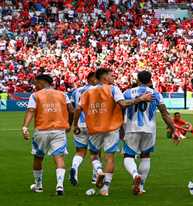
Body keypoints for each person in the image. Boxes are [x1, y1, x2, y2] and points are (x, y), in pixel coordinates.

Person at [73, 68, 152, 196]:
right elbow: (123, 104)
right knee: (110, 158)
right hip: (111, 128)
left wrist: (75, 124)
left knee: (93, 154)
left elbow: (77, 109)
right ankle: (105, 189)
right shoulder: (113, 89)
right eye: (111, 75)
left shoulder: (87, 92)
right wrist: (140, 99)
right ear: (105, 78)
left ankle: (99, 171)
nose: (113, 77)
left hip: (94, 128)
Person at [122, 71, 178, 195]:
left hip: (132, 128)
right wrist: (174, 129)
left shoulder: (127, 93)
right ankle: (141, 186)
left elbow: (121, 108)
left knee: (128, 156)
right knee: (145, 156)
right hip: (149, 130)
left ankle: (135, 174)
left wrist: (120, 128)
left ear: (137, 80)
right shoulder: (156, 94)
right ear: (150, 80)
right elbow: (164, 113)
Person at [22, 74, 73, 196]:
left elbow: (31, 110)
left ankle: (39, 186)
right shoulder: (63, 94)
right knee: (59, 157)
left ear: (41, 82)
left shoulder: (35, 95)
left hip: (42, 130)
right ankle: (59, 185)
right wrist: (69, 124)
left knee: (38, 157)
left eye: (36, 83)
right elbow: (71, 110)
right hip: (59, 130)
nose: (35, 86)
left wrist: (25, 127)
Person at [69, 71, 98, 186]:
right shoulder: (97, 90)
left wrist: (71, 124)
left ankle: (74, 168)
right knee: (95, 152)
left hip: (79, 124)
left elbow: (72, 110)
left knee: (80, 151)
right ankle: (95, 177)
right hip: (94, 125)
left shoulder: (76, 91)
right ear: (92, 79)